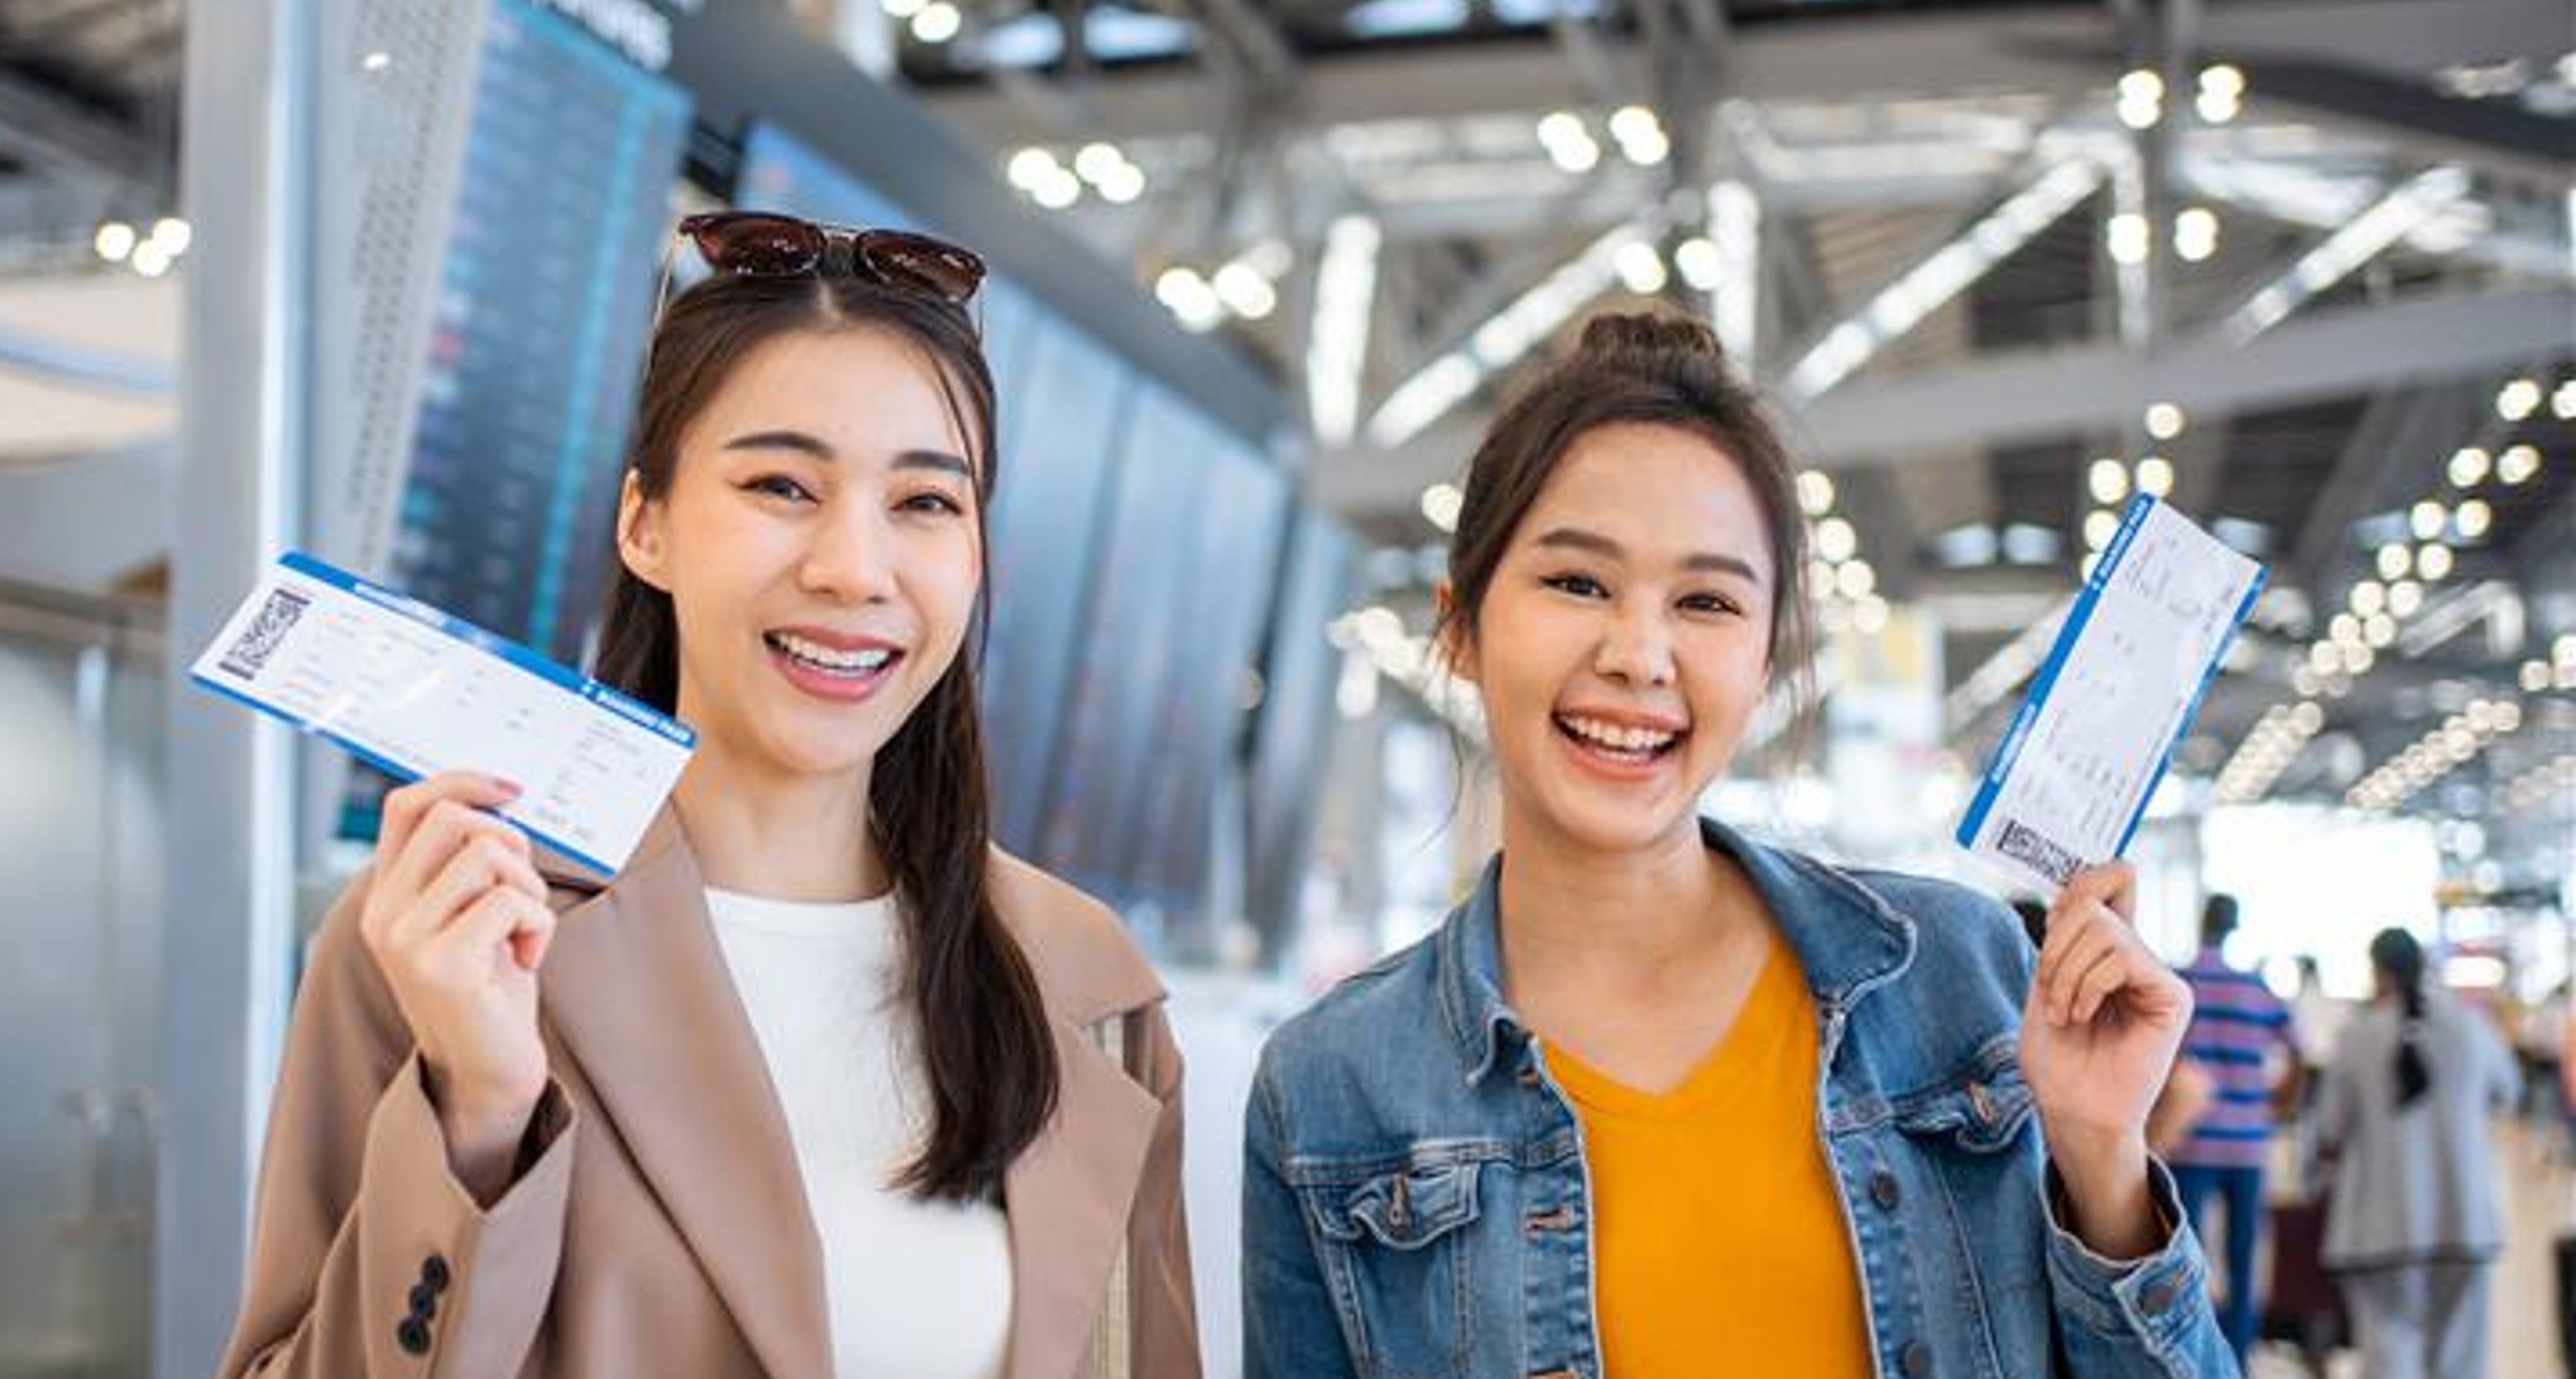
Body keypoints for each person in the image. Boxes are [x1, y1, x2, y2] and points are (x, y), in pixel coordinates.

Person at [216, 211, 1198, 1379]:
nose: (853, 568)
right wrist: (475, 1116)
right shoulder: (450, 939)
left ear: (976, 553)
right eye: (782, 485)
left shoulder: (1082, 984)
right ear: (648, 525)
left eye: (926, 503)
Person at [1240, 312, 2233, 1378]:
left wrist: (2098, 1154)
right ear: (1461, 630)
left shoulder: (1958, 978)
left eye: (1706, 601)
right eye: (1577, 582)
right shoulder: (1333, 1090)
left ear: (1765, 664)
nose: (1639, 655)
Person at [2320, 928, 2512, 1379]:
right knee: (2462, 1358)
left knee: (2390, 1353)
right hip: (2463, 1217)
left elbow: (2330, 1126)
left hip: (2379, 1223)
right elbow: (2508, 1092)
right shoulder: (2470, 1026)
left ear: (2377, 971)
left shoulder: (2355, 1036)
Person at [2168, 893, 2300, 1359]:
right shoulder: (2257, 989)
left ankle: (2192, 1354)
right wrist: (2274, 1106)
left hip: (2190, 1141)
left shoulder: (2177, 982)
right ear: (2234, 928)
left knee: (2188, 1259)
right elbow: (2296, 1051)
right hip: (2247, 1143)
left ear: (2202, 923)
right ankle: (2238, 1359)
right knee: (2245, 1259)